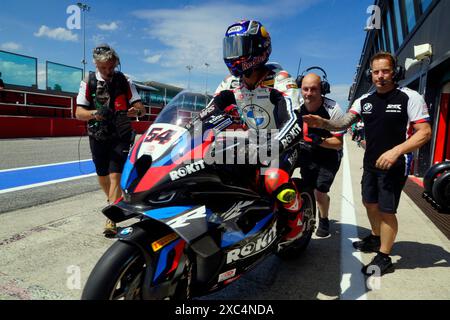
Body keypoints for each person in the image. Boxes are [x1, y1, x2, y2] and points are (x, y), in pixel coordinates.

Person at [303, 51, 431, 275]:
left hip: (395, 164)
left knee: (386, 211)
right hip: (371, 164)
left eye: (385, 71)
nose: (380, 76)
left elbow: (424, 133)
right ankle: (375, 237)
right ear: (370, 75)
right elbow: (342, 122)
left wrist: (396, 151)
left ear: (395, 72)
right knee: (369, 203)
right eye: (376, 72)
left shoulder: (409, 97)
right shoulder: (364, 100)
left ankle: (384, 257)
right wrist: (323, 122)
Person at [208, 19, 304, 243]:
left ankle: (296, 221)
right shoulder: (230, 83)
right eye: (229, 47)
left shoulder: (279, 79)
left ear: (258, 48)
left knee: (273, 180)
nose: (232, 55)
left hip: (283, 142)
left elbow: (294, 120)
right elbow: (208, 112)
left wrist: (272, 146)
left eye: (239, 47)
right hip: (250, 142)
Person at [76, 44, 145, 237]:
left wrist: (135, 111)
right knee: (102, 174)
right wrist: (95, 113)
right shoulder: (87, 82)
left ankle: (111, 219)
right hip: (98, 134)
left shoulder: (125, 80)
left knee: (115, 175)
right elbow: (79, 113)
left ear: (115, 63)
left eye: (111, 67)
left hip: (121, 134)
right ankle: (113, 203)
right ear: (97, 65)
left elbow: (141, 109)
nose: (107, 71)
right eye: (103, 68)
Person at [296, 72, 345, 237]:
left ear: (322, 90)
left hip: (328, 154)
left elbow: (338, 144)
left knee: (319, 192)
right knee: (306, 188)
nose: (308, 93)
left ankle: (323, 219)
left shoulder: (334, 109)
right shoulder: (295, 105)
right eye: (305, 89)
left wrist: (319, 140)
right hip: (306, 152)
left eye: (313, 89)